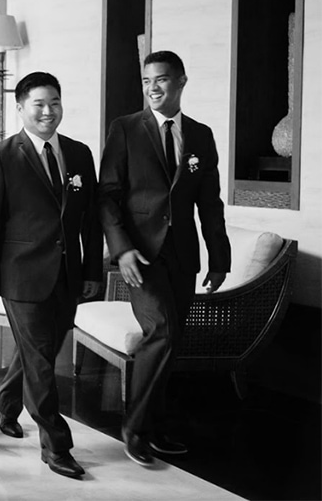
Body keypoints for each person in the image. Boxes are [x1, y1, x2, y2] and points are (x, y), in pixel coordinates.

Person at [98, 50, 230, 467]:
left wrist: (219, 257)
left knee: (171, 345)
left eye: (162, 80)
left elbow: (210, 203)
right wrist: (122, 250)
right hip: (140, 256)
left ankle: (152, 427)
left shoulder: (201, 136)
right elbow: (107, 197)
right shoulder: (125, 129)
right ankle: (134, 428)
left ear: (181, 83)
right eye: (146, 81)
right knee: (163, 332)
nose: (153, 88)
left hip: (183, 256)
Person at [0, 72, 102, 479]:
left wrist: (92, 269)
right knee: (43, 359)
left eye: (55, 103)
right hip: (20, 276)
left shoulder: (79, 154)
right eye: (39, 105)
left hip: (68, 273)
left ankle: (6, 402)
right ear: (21, 108)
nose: (48, 112)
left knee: (38, 351)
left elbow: (91, 220)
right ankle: (56, 445)